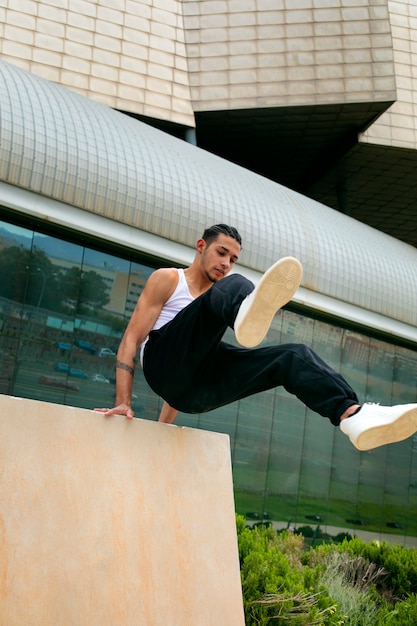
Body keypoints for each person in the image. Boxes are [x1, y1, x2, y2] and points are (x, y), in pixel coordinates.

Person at [95, 224, 417, 451]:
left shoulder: (215, 300)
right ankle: (242, 317)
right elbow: (130, 341)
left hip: (193, 391)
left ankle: (351, 415)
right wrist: (123, 402)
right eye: (222, 253)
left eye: (233, 259)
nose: (226, 263)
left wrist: (164, 425)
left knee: (292, 356)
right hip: (161, 362)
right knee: (233, 286)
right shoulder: (168, 279)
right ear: (201, 245)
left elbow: (188, 373)